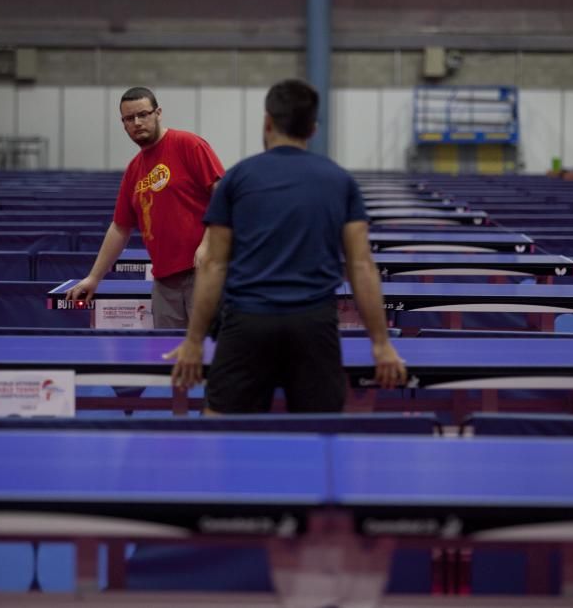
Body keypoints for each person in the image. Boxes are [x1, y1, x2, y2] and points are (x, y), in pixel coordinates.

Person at [166, 79, 408, 413]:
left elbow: (213, 265)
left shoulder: (237, 178)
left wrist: (194, 341)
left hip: (246, 325)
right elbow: (361, 266)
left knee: (220, 433)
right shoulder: (340, 180)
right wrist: (381, 344)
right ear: (312, 128)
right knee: (318, 439)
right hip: (313, 327)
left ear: (267, 122)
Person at [66, 87, 225, 327]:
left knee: (212, 355)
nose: (137, 122)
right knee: (170, 359)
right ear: (123, 124)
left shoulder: (188, 145)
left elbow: (223, 195)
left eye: (143, 114)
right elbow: (120, 228)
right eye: (129, 118)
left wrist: (206, 244)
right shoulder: (134, 170)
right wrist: (94, 277)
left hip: (203, 272)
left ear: (158, 113)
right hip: (163, 282)